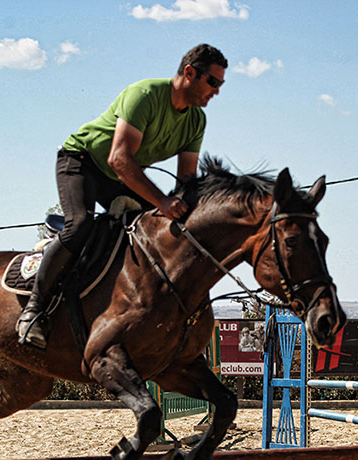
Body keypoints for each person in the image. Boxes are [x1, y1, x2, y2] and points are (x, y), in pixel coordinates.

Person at [17, 43, 228, 349]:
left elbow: (186, 180)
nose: (217, 91)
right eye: (213, 82)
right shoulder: (144, 95)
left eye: (220, 85)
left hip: (118, 177)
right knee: (80, 227)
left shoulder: (197, 120)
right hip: (82, 163)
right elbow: (119, 159)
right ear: (189, 73)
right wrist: (163, 202)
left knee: (159, 234)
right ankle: (33, 311)